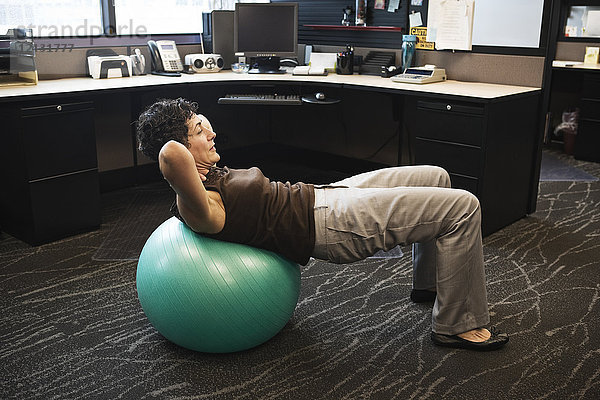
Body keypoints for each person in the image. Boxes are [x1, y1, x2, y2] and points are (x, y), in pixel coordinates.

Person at [136, 97, 509, 351]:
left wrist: (192, 128)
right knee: (464, 207)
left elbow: (179, 150)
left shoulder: (211, 176)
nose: (212, 133)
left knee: (436, 176)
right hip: (331, 224)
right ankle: (456, 325)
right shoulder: (201, 206)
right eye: (200, 131)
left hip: (324, 193)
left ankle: (430, 287)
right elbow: (170, 156)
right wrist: (172, 139)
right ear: (182, 149)